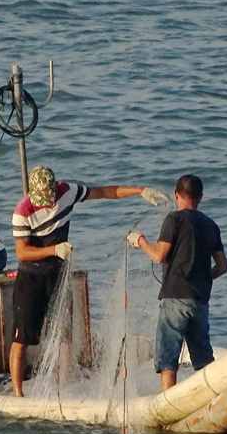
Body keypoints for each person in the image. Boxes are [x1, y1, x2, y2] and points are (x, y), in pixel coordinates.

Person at [9, 165, 170, 397]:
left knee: (65, 332)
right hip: (31, 277)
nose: (47, 203)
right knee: (22, 337)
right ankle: (18, 393)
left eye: (49, 198)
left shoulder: (66, 191)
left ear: (55, 189)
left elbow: (104, 192)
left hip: (59, 274)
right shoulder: (23, 211)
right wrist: (54, 249)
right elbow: (22, 252)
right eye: (42, 200)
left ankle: (63, 388)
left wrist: (140, 190)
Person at [127, 174, 227, 391]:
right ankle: (210, 400)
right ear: (200, 197)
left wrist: (140, 240)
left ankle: (167, 402)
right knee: (203, 359)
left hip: (174, 298)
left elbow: (159, 256)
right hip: (199, 299)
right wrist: (201, 278)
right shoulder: (211, 225)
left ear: (176, 195)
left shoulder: (174, 219)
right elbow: (222, 267)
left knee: (168, 359)